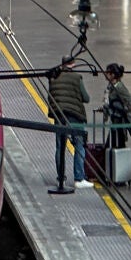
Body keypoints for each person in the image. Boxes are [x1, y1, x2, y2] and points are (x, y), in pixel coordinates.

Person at [46, 59, 90, 189]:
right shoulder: (77, 77)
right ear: (73, 64)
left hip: (59, 115)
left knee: (60, 147)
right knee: (79, 145)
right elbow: (86, 98)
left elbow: (50, 97)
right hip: (74, 115)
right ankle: (79, 178)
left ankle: (61, 179)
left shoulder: (54, 78)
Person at [102, 63, 131, 150]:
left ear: (113, 75)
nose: (105, 74)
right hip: (115, 119)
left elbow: (130, 100)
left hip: (119, 120)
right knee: (116, 144)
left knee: (116, 144)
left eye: (107, 73)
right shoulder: (110, 86)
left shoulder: (119, 87)